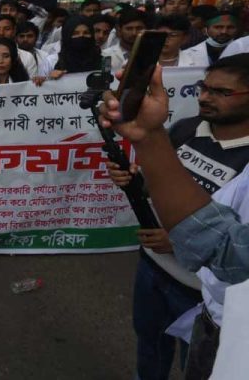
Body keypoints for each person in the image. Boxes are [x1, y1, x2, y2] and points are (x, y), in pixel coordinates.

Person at [99, 61, 249, 379]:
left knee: (194, 362)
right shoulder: (186, 129)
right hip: (152, 267)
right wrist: (135, 179)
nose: (206, 97)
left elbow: (234, 247)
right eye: (204, 88)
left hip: (199, 291)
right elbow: (162, 184)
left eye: (222, 92)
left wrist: (181, 236)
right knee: (150, 346)